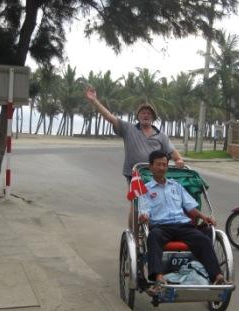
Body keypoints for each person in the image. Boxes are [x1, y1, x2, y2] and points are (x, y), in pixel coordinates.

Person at [138, 150, 225, 290]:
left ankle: (217, 276)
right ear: (151, 167)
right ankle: (158, 278)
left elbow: (190, 207)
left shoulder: (176, 186)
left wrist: (203, 216)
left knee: (203, 239)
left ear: (167, 166)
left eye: (164, 165)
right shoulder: (145, 190)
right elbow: (145, 211)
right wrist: (144, 216)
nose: (161, 168)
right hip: (161, 227)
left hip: (183, 226)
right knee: (153, 237)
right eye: (158, 164)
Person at [85, 87, 184, 180]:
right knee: (137, 198)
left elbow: (172, 152)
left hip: (155, 176)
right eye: (143, 113)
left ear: (153, 118)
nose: (146, 115)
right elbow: (109, 116)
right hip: (134, 175)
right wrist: (94, 101)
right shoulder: (129, 128)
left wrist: (179, 160)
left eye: (149, 114)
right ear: (138, 116)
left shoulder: (161, 135)